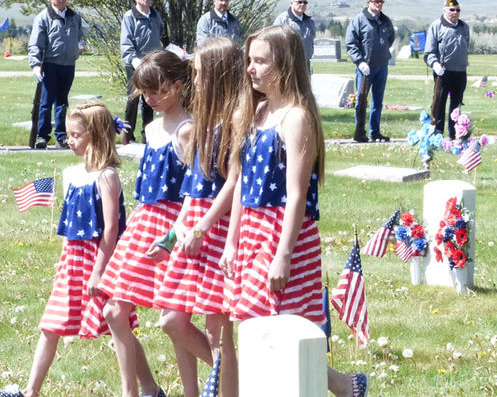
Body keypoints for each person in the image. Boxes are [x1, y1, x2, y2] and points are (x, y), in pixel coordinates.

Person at [219, 25, 369, 397]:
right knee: (256, 322)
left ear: (284, 64)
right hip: (253, 231)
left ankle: (338, 386)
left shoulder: (296, 118)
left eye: (260, 61)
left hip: (283, 235)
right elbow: (240, 185)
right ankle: (346, 386)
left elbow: (297, 194)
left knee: (284, 326)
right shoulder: (258, 112)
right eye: (249, 60)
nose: (250, 69)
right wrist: (232, 241)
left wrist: (283, 255)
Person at [0, 101, 135, 397]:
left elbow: (111, 229)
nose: (69, 140)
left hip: (100, 261)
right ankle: (30, 391)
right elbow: (72, 229)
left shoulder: (106, 177)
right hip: (74, 261)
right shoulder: (73, 174)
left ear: (94, 135)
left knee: (118, 325)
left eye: (76, 135)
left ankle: (139, 389)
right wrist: (64, 260)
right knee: (51, 324)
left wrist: (99, 272)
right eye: (68, 134)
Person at [151, 37, 241, 397]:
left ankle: (230, 389)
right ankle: (244, 380)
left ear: (219, 75)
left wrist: (203, 229)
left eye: (201, 74)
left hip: (216, 229)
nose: (196, 82)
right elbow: (194, 187)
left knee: (218, 332)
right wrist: (174, 234)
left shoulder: (235, 121)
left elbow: (232, 184)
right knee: (172, 320)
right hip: (192, 229)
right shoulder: (205, 120)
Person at [99, 49, 192, 397]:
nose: (150, 99)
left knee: (175, 319)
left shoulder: (187, 130)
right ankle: (139, 391)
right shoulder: (152, 129)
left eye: (157, 91)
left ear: (178, 86)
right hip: (143, 222)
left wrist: (175, 234)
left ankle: (196, 389)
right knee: (114, 309)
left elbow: (196, 192)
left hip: (172, 225)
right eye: (145, 92)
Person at [28, 0, 83, 149]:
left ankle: (61, 136)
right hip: (50, 64)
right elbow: (35, 43)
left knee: (62, 102)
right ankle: (42, 137)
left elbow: (80, 36)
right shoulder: (44, 17)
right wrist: (36, 64)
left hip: (68, 64)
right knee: (46, 102)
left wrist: (79, 47)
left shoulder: (74, 16)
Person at [120, 0, 169, 145]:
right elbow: (126, 43)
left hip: (152, 64)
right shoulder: (129, 17)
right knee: (133, 99)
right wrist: (134, 60)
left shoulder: (156, 15)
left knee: (150, 99)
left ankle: (147, 135)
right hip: (134, 64)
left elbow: (162, 36)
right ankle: (128, 136)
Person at [345, 0, 395, 143]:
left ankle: (375, 131)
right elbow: (351, 43)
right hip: (365, 67)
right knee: (361, 100)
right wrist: (359, 61)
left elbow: (390, 38)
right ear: (368, 3)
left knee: (378, 101)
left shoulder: (385, 20)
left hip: (382, 65)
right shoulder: (359, 20)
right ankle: (359, 131)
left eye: (381, 1)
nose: (379, 4)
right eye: (376, 1)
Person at [424, 0, 470, 139]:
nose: (455, 12)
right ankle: (437, 133)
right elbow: (429, 52)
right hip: (443, 72)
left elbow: (465, 46)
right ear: (444, 10)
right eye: (452, 10)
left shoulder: (464, 27)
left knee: (456, 104)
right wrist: (435, 64)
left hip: (460, 72)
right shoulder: (437, 26)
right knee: (439, 102)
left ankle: (455, 133)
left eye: (457, 10)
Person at [273, 0, 315, 72]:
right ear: (291, 3)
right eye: (299, 2)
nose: (302, 4)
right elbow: (274, 42)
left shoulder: (310, 22)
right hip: (287, 65)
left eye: (305, 2)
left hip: (305, 64)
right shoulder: (282, 20)